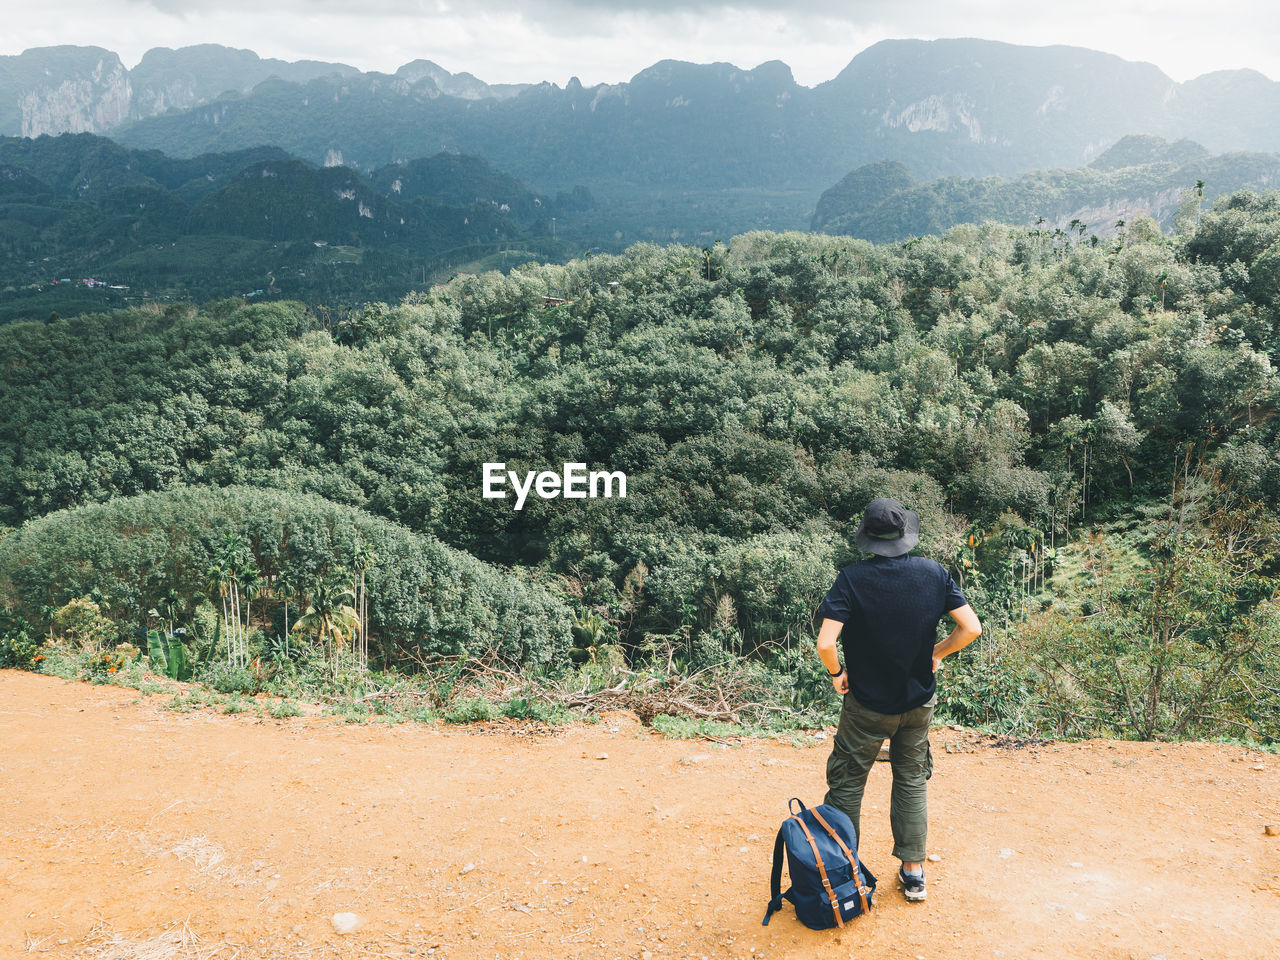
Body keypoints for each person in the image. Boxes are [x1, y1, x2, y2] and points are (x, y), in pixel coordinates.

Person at [813, 497, 981, 903]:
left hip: (867, 705)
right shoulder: (934, 573)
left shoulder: (851, 579)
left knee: (848, 782)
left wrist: (838, 675)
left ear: (867, 540)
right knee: (910, 780)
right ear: (905, 535)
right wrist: (937, 654)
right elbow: (971, 628)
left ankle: (843, 870)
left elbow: (825, 643)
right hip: (918, 703)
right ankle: (913, 873)